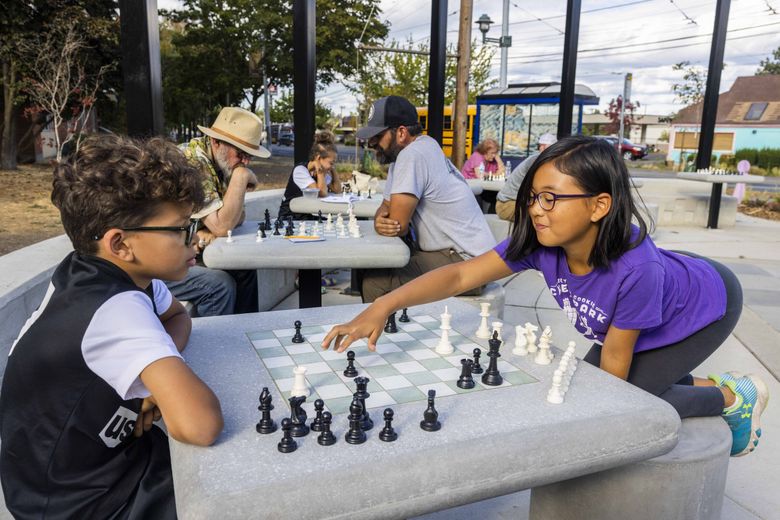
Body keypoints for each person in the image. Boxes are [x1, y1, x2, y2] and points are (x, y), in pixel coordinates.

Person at [321, 135, 769, 458]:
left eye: (552, 198)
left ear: (598, 205)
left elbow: (612, 384)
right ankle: (693, 381)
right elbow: (459, 276)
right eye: (534, 196)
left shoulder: (636, 272)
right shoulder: (540, 242)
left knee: (628, 396)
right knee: (601, 386)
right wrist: (383, 304)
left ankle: (733, 398)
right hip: (671, 285)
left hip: (706, 304)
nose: (535, 208)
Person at [0, 135, 224, 518]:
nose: (196, 240)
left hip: (104, 459)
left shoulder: (107, 274)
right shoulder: (114, 308)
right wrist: (163, 379)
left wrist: (157, 381)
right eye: (181, 229)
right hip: (76, 501)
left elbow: (177, 316)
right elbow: (200, 425)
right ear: (120, 244)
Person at [356, 95, 496, 303]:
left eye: (378, 135)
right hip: (467, 257)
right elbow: (385, 208)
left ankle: (389, 335)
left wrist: (383, 221)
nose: (372, 142)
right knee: (372, 268)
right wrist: (379, 221)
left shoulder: (413, 155)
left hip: (469, 264)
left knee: (375, 281)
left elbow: (397, 224)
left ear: (401, 132)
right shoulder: (415, 150)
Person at [167, 106, 270, 316]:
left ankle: (246, 334)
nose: (246, 162)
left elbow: (236, 219)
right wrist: (240, 177)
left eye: (249, 156)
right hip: (155, 260)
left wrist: (212, 226)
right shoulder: (193, 161)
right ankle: (223, 343)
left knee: (243, 266)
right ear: (216, 142)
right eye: (240, 154)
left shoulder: (219, 162)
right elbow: (223, 226)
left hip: (182, 247)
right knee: (219, 284)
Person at [278, 130, 341, 220]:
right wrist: (319, 171)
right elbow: (321, 193)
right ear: (318, 158)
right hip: (290, 217)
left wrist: (332, 169)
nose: (332, 166)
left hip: (305, 215)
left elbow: (337, 190)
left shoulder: (322, 174)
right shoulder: (300, 170)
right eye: (331, 163)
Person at [495, 132, 557, 221]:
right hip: (507, 205)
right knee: (542, 216)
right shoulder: (535, 161)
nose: (542, 149)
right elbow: (541, 189)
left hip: (516, 203)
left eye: (544, 146)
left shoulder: (546, 162)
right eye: (541, 146)